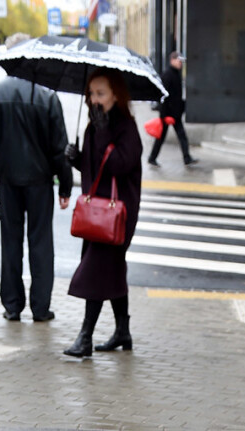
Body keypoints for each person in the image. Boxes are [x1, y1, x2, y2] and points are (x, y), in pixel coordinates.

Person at [0, 77, 73, 322]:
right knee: (41, 243)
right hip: (40, 181)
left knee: (10, 243)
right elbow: (59, 146)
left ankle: (12, 305)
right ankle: (40, 307)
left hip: (7, 181)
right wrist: (65, 184)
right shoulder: (47, 97)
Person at [63, 67, 142, 357]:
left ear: (115, 95)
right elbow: (95, 169)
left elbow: (120, 165)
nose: (94, 99)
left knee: (96, 270)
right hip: (97, 212)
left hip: (117, 214)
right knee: (111, 269)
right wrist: (77, 159)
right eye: (91, 93)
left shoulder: (125, 127)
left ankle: (85, 338)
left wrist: (104, 130)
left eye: (101, 93)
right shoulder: (94, 125)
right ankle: (123, 331)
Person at [147, 51, 198, 167]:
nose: (181, 63)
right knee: (160, 137)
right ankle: (152, 158)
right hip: (168, 115)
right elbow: (162, 97)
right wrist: (164, 116)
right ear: (172, 60)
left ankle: (187, 157)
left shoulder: (176, 74)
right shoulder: (167, 75)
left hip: (176, 114)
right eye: (179, 61)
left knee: (182, 136)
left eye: (181, 61)